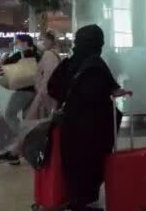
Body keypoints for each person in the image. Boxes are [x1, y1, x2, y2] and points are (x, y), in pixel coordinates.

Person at [47, 25, 128, 210]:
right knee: (91, 165)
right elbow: (111, 90)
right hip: (94, 128)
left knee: (73, 164)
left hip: (71, 126)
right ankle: (87, 201)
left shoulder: (70, 62)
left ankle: (76, 200)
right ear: (97, 43)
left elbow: (53, 88)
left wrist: (67, 99)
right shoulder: (96, 64)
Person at [0, 31, 62, 166]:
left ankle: (25, 142)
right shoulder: (41, 55)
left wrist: (41, 93)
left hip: (28, 91)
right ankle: (17, 151)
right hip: (37, 93)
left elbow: (46, 77)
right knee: (29, 120)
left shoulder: (45, 55)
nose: (40, 41)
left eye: (42, 39)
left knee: (11, 114)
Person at [0, 34, 41, 165]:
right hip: (33, 92)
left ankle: (27, 139)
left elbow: (4, 64)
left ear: (26, 43)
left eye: (19, 42)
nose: (17, 45)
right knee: (26, 121)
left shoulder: (22, 55)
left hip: (23, 91)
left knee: (9, 114)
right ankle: (17, 153)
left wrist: (10, 50)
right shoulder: (37, 55)